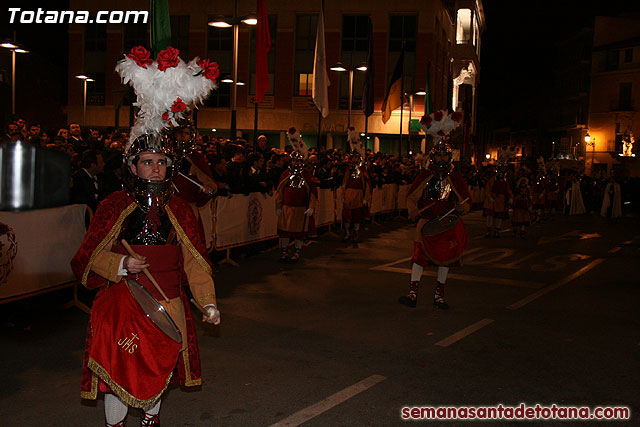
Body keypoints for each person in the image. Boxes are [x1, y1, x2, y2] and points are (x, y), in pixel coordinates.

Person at [71, 44, 222, 427]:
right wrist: (120, 263)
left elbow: (194, 261)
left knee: (158, 370)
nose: (154, 168)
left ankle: (150, 422)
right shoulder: (112, 204)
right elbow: (87, 258)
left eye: (160, 162)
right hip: (123, 301)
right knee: (118, 373)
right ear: (134, 166)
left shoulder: (182, 209)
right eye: (147, 162)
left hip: (167, 299)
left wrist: (207, 303)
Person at [398, 139, 471, 309]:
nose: (441, 158)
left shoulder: (455, 177)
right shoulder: (424, 175)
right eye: (438, 155)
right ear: (433, 157)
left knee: (445, 259)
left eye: (444, 155)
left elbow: (466, 199)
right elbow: (411, 196)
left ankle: (439, 295)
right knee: (419, 257)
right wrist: (413, 210)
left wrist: (463, 207)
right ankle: (413, 293)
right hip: (426, 223)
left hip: (447, 224)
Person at [275, 127, 317, 262]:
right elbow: (280, 190)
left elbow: (312, 193)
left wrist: (311, 207)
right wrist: (278, 206)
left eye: (299, 161)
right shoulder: (285, 174)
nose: (296, 163)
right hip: (287, 208)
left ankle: (297, 252)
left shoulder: (307, 175)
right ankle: (284, 252)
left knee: (299, 233)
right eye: (294, 161)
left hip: (301, 210)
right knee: (285, 232)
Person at [340, 127, 372, 246]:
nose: (354, 159)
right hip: (349, 194)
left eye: (356, 158)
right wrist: (343, 195)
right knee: (347, 216)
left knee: (357, 216)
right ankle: (348, 233)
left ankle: (356, 233)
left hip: (358, 195)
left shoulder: (363, 170)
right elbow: (344, 183)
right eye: (353, 157)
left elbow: (367, 185)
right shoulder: (348, 169)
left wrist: (365, 198)